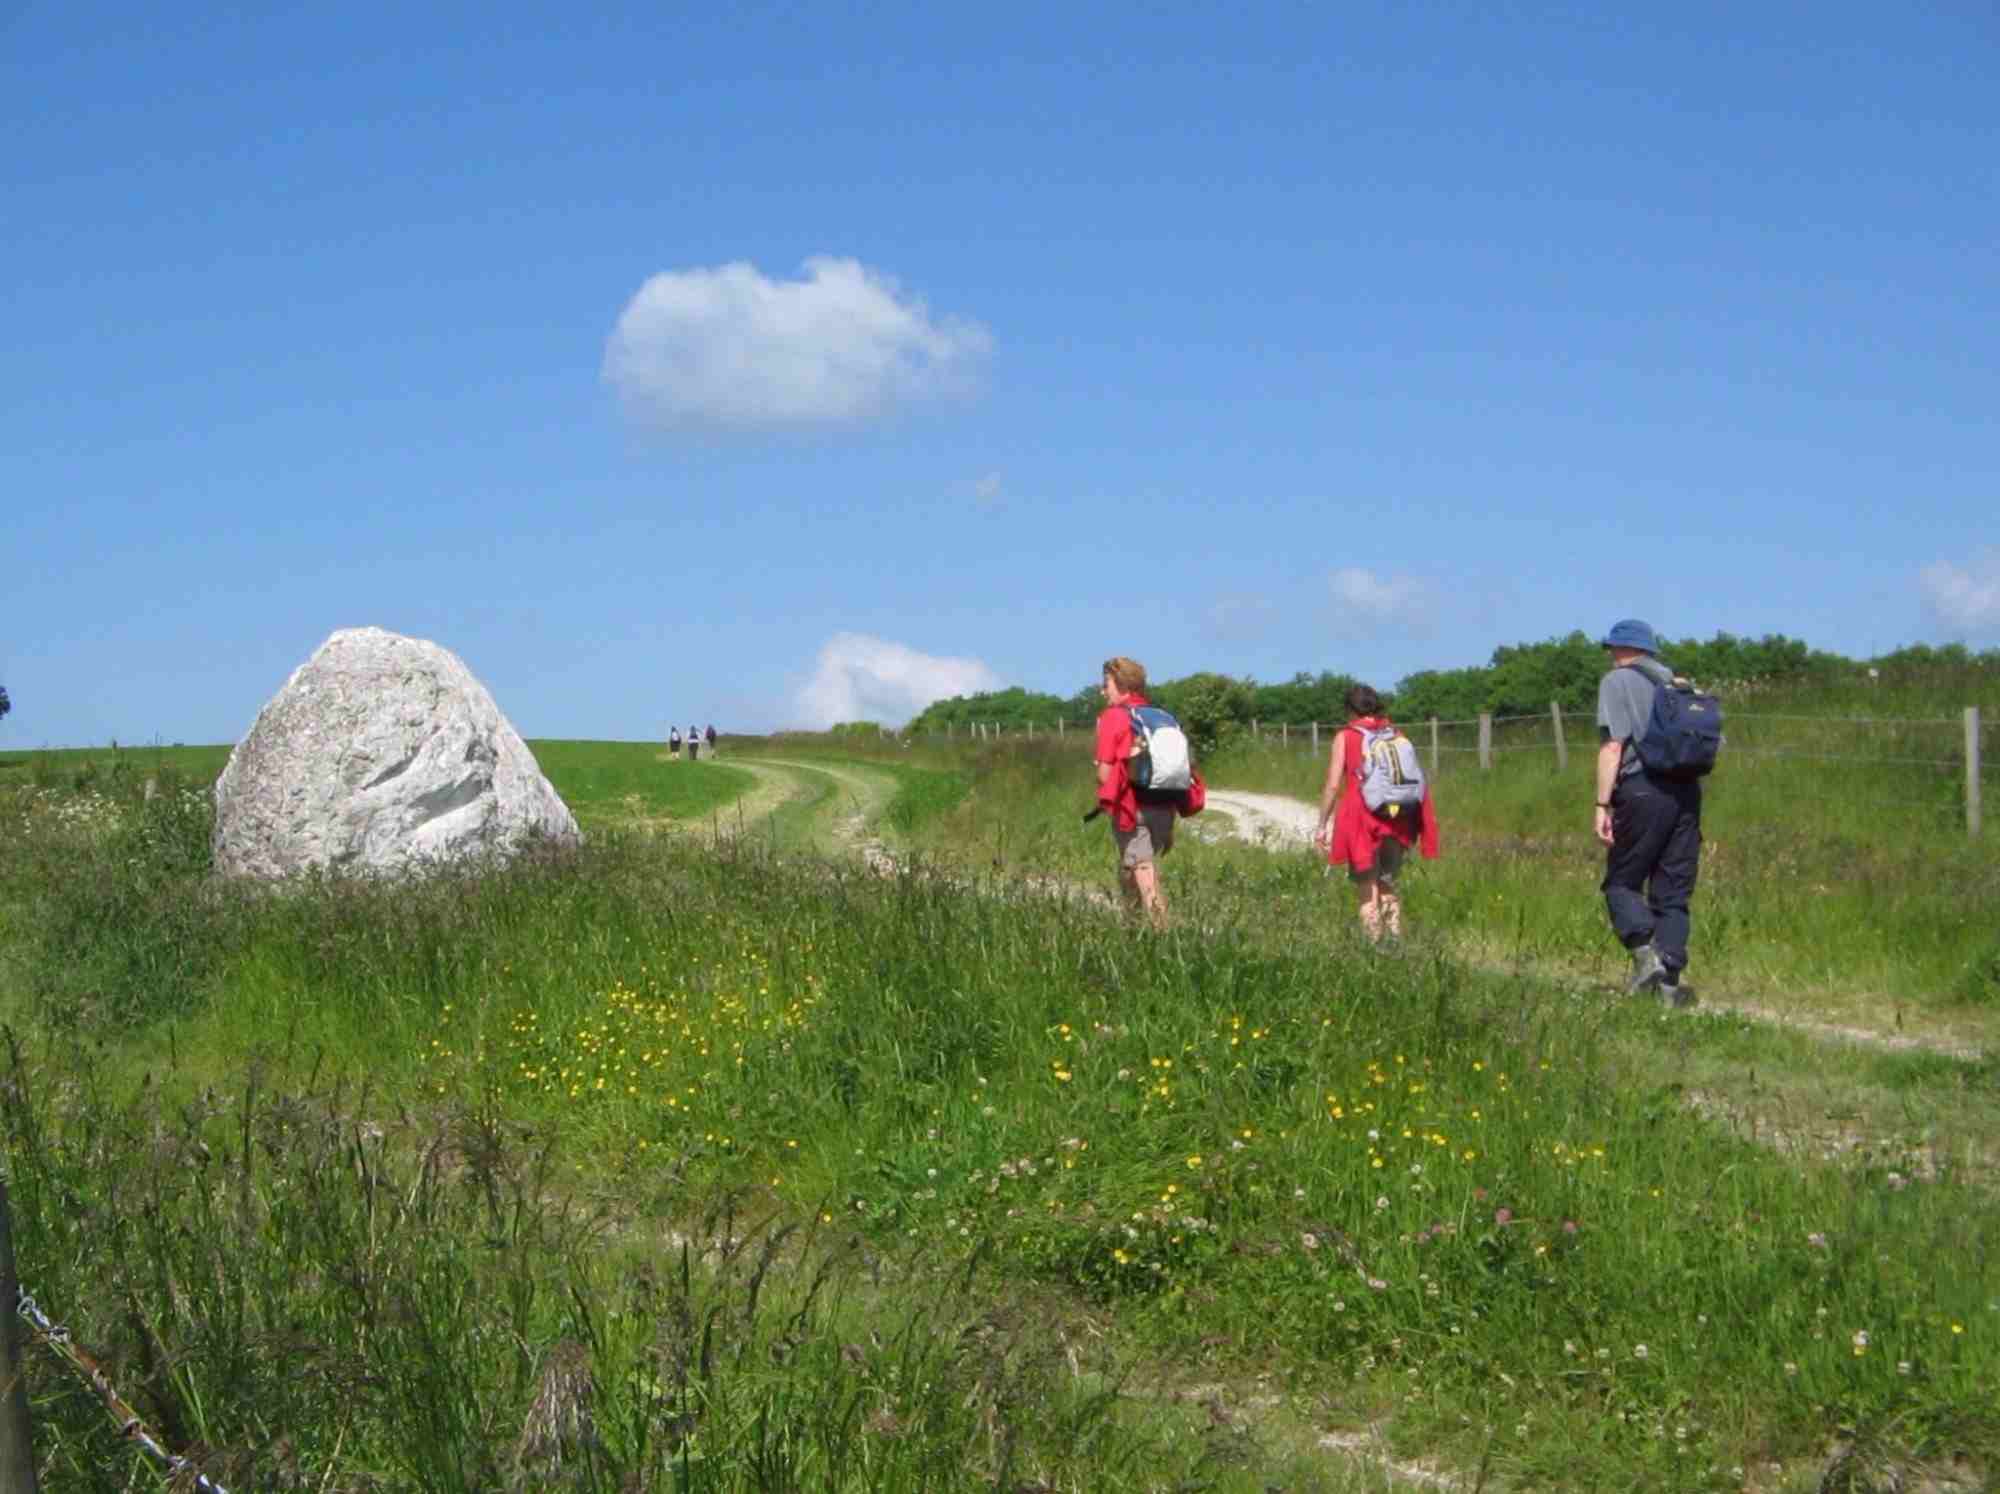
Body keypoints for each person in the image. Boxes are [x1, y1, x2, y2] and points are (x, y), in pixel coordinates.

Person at [1594, 619, 1700, 1007]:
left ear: (1621, 649)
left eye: (1611, 649)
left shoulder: (1617, 682)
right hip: (1687, 793)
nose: (1609, 656)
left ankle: (1646, 955)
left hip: (1641, 790)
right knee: (1672, 894)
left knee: (1621, 883)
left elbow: (1613, 747)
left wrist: (1602, 804)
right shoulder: (1678, 684)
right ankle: (1669, 988)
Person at [1314, 684, 1439, 942]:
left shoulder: (1346, 737)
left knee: (1366, 890)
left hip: (1362, 819)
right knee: (1387, 885)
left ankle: (1376, 952)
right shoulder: (1395, 733)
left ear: (1350, 709)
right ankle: (1395, 943)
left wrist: (1322, 824)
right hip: (1397, 818)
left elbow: (1334, 784)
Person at [1094, 656, 1174, 927]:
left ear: (1121, 685)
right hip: (1166, 804)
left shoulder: (1114, 717)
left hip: (1133, 807)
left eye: (1106, 685)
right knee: (1130, 868)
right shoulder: (1162, 716)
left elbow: (1104, 774)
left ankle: (1162, 932)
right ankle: (1132, 926)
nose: (1103, 691)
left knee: (1141, 868)